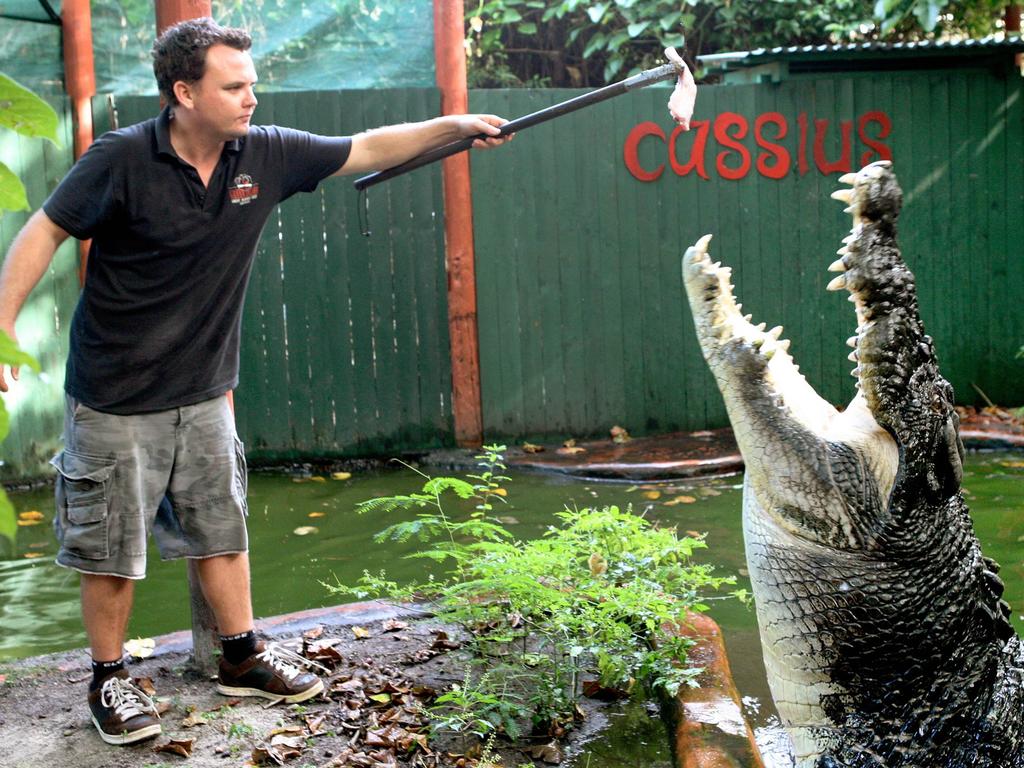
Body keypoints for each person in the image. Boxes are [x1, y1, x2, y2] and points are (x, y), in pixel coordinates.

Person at [0, 17, 512, 746]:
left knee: (221, 528)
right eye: (234, 85)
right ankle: (109, 676)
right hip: (114, 395)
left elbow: (368, 148)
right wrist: (4, 330)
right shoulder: (121, 158)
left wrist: (457, 126)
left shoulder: (262, 155)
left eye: (252, 82)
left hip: (205, 389)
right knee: (112, 548)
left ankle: (240, 652)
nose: (251, 96)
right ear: (184, 91)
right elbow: (45, 230)